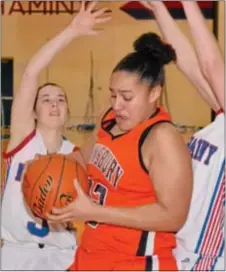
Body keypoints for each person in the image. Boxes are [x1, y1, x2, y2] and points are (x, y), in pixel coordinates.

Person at [47, 32, 193, 270]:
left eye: (126, 97)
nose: (116, 105)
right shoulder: (109, 119)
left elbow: (173, 216)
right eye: (113, 95)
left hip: (136, 262)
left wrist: (97, 212)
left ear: (154, 93)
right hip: (92, 254)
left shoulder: (161, 138)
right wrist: (48, 168)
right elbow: (82, 159)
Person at [1, 2, 111, 270]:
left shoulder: (77, 155)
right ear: (34, 111)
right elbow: (30, 74)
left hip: (62, 256)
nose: (53, 104)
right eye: (46, 99)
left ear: (67, 111)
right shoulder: (22, 141)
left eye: (60, 99)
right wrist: (72, 31)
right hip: (16, 254)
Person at [139, 1, 224, 270]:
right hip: (181, 249)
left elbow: (211, 65)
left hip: (207, 259)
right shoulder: (221, 116)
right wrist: (158, 8)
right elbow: (187, 62)